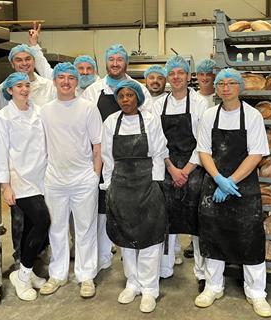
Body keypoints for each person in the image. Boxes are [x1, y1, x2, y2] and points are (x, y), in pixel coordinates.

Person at [195, 68, 271, 318]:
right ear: (216, 88)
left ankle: (256, 293)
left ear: (240, 87)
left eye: (231, 83)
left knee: (250, 237)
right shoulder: (209, 115)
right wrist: (217, 178)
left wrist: (230, 182)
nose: (225, 87)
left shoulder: (252, 116)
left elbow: (256, 153)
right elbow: (204, 151)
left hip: (243, 187)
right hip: (213, 184)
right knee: (212, 235)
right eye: (221, 83)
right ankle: (213, 286)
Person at [82, 44, 152, 273]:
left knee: (133, 213)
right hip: (103, 161)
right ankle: (102, 258)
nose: (114, 64)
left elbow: (150, 124)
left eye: (119, 60)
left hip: (135, 163)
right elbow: (83, 127)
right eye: (111, 59)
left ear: (126, 63)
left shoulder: (140, 89)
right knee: (102, 213)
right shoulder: (93, 91)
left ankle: (133, 259)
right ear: (106, 62)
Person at [101, 79, 168, 313]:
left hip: (147, 182)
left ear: (138, 98)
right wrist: (109, 185)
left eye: (130, 95)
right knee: (125, 236)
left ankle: (150, 288)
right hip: (120, 184)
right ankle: (133, 282)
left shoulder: (150, 119)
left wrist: (156, 184)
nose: (126, 100)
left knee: (150, 237)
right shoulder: (111, 122)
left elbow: (160, 152)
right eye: (121, 96)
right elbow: (108, 156)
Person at [39, 62, 103, 298]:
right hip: (55, 180)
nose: (66, 82)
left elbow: (98, 145)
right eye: (61, 77)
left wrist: (94, 176)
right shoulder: (45, 111)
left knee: (86, 229)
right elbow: (42, 146)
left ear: (77, 82)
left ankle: (86, 276)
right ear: (54, 81)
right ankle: (57, 274)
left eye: (71, 78)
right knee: (56, 229)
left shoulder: (88, 108)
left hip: (83, 180)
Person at [0, 72, 51, 301]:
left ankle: (27, 271)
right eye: (19, 86)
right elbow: (1, 152)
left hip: (41, 177)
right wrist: (6, 186)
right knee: (43, 221)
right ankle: (23, 275)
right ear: (9, 90)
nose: (24, 89)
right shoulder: (4, 116)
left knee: (30, 226)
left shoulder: (38, 111)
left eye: (26, 85)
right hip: (19, 180)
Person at [152, 56, 208, 289]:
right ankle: (164, 267)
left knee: (197, 221)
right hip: (167, 167)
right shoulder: (158, 105)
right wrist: (171, 169)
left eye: (180, 73)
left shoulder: (199, 103)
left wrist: (185, 170)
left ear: (188, 76)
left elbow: (204, 142)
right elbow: (157, 141)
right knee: (166, 219)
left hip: (193, 167)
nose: (175, 77)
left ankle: (201, 272)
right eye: (172, 73)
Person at [27, 22, 100, 95]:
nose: (85, 72)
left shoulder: (100, 88)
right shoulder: (66, 84)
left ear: (95, 72)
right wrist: (34, 44)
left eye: (89, 68)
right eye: (81, 68)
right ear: (74, 71)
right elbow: (43, 67)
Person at [0, 44, 56, 109]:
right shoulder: (2, 90)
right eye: (19, 60)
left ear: (34, 61)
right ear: (12, 64)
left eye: (28, 59)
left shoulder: (50, 86)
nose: (24, 63)